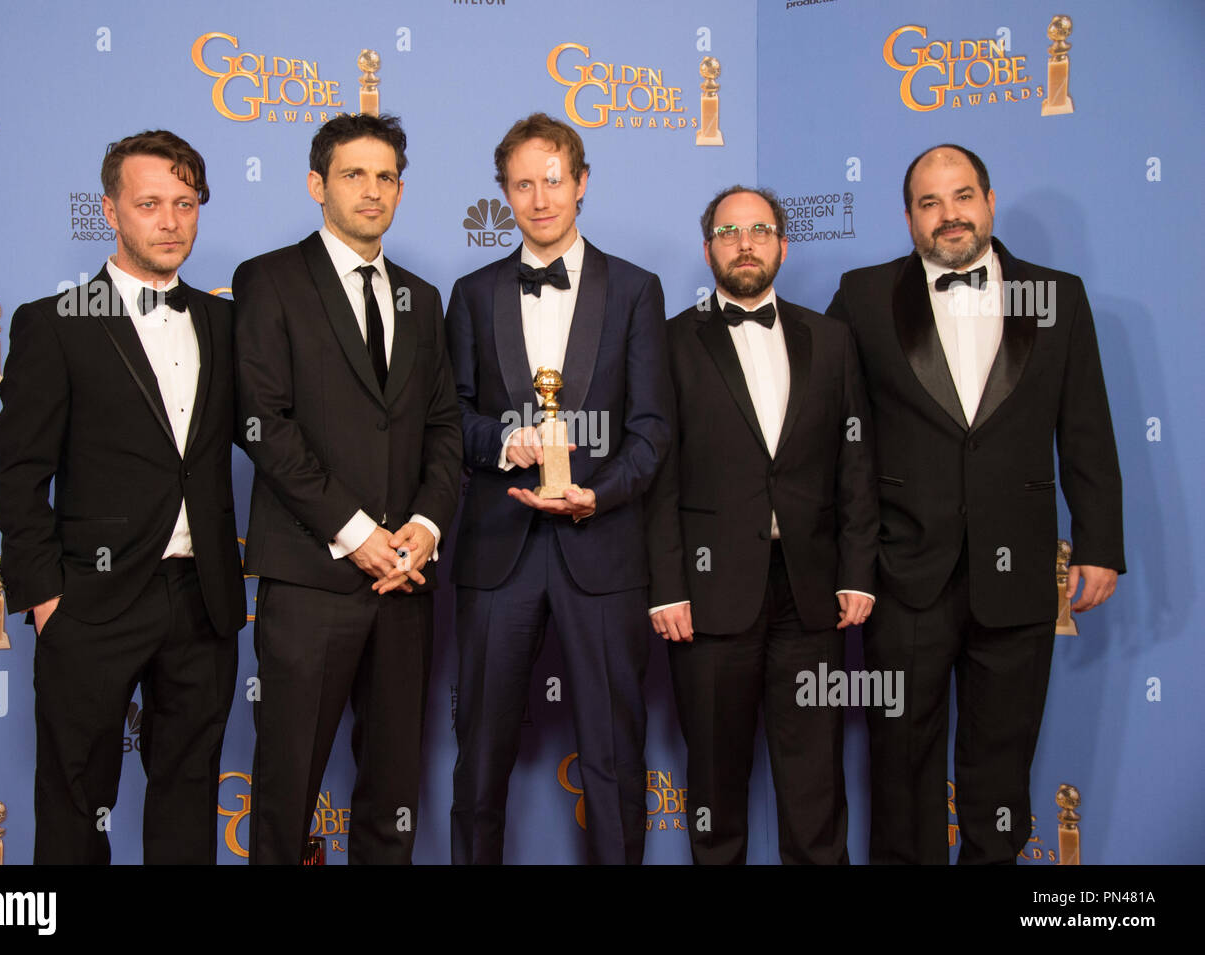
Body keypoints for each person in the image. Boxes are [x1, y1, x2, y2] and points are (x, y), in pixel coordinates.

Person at [826, 144, 1124, 864]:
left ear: (989, 201)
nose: (948, 215)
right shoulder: (863, 296)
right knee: (901, 768)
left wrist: (1099, 543)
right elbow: (831, 429)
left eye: (962, 197)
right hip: (902, 573)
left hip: (1020, 572)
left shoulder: (1058, 294)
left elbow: (1084, 426)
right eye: (929, 203)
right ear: (908, 218)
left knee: (1000, 770)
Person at [0, 130, 245, 864]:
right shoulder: (53, 322)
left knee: (188, 794)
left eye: (185, 203)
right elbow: (17, 469)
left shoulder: (227, 323)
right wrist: (47, 599)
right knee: (75, 803)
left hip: (203, 598)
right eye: (150, 203)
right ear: (111, 211)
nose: (170, 221)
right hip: (91, 602)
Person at [233, 113, 461, 865]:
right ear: (316, 185)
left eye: (386, 176)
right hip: (311, 577)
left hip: (407, 578)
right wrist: (356, 532)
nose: (372, 190)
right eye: (353, 174)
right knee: (286, 787)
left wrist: (425, 524)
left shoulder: (422, 299)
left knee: (394, 789)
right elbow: (264, 423)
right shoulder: (268, 279)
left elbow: (443, 428)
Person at [445, 112, 671, 864]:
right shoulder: (471, 293)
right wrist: (507, 442)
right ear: (505, 194)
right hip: (497, 552)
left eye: (553, 179)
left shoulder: (637, 289)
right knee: (479, 760)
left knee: (611, 758)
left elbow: (650, 430)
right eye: (522, 184)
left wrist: (597, 495)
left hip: (600, 550)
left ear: (581, 183)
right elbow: (453, 422)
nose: (540, 198)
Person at [646, 185, 876, 864]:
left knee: (815, 784)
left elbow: (856, 462)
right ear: (708, 246)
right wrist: (666, 584)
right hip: (708, 595)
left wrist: (859, 570)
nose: (744, 243)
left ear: (782, 242)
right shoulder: (668, 341)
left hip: (811, 595)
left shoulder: (832, 340)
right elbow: (658, 475)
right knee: (715, 784)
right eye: (728, 232)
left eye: (759, 229)